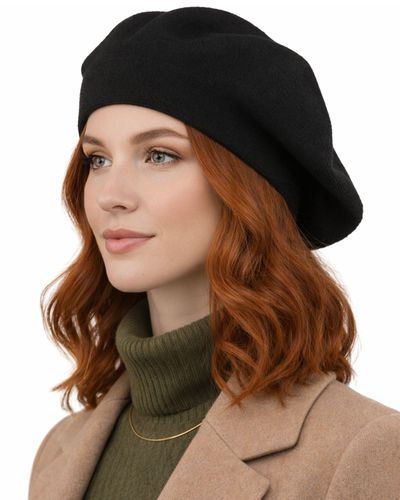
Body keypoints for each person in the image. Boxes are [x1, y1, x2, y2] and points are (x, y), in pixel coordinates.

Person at [28, 6, 400, 500]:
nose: (109, 195)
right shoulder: (59, 452)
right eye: (98, 159)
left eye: (159, 155)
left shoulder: (363, 449)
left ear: (246, 188)